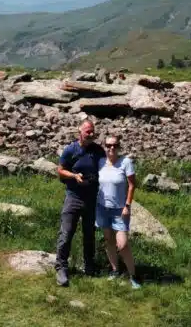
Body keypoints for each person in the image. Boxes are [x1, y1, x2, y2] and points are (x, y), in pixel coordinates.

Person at [54, 119, 105, 287]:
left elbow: (106, 168)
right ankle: (61, 267)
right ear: (80, 132)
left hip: (92, 198)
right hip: (73, 196)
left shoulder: (98, 151)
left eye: (92, 131)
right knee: (67, 233)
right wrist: (74, 176)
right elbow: (60, 171)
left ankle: (89, 265)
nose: (91, 134)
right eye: (87, 131)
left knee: (89, 234)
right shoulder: (70, 149)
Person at [96, 134, 141, 289]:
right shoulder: (100, 162)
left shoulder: (125, 162)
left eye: (114, 145)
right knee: (108, 240)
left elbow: (132, 185)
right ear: (104, 147)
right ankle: (115, 270)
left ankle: (133, 275)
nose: (112, 148)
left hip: (119, 210)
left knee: (122, 245)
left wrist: (127, 205)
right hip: (102, 207)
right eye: (108, 145)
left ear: (119, 146)